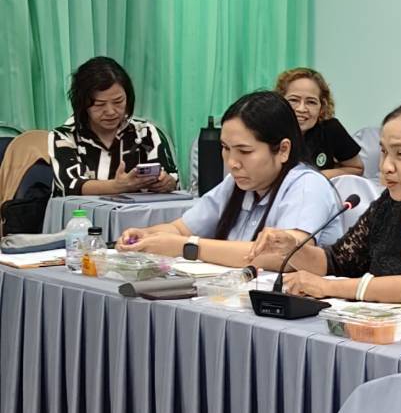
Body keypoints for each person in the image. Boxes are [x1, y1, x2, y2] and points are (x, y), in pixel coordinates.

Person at [247, 99, 401, 306]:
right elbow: (337, 260)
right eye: (384, 152)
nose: (386, 166)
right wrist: (292, 247)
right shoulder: (389, 204)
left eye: (400, 154)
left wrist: (329, 287)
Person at [117, 92, 344, 267]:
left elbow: (283, 257)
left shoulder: (307, 186)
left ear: (283, 150)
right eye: (226, 148)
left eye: (244, 151)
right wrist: (148, 235)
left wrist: (187, 247)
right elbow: (181, 229)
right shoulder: (237, 182)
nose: (232, 162)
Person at [50, 57, 179, 196]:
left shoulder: (145, 133)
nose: (111, 112)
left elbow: (173, 179)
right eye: (99, 104)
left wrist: (167, 183)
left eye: (118, 101)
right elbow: (70, 185)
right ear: (82, 104)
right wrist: (118, 186)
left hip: (139, 210)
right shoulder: (64, 136)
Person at [275, 67, 364, 178]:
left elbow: (357, 168)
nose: (301, 109)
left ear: (322, 107)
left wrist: (316, 177)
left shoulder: (330, 129)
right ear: (280, 102)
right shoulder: (266, 130)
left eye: (311, 102)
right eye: (293, 100)